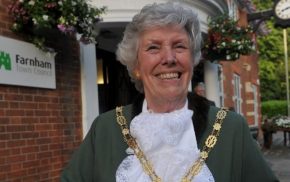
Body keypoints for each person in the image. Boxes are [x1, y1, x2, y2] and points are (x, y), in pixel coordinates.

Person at [61, 2, 279, 182]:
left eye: (179, 46)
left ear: (192, 61)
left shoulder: (232, 129)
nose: (169, 58)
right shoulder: (105, 129)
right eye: (153, 47)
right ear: (136, 66)